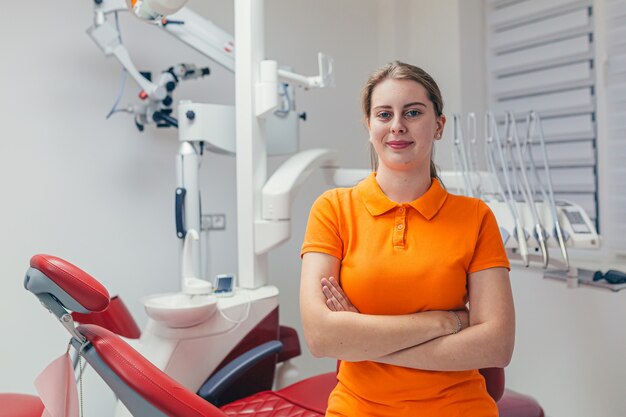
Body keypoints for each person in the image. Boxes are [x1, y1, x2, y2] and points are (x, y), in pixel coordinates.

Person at [299, 61, 515, 417]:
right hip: (358, 408)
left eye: (413, 112)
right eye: (384, 114)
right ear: (369, 126)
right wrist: (446, 322)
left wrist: (360, 341)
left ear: (439, 125)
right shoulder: (332, 209)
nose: (397, 125)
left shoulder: (475, 217)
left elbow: (497, 346)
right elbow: (322, 337)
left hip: (459, 407)